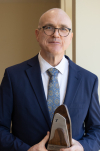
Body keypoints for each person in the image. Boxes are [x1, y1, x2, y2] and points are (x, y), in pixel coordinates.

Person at [0, 8, 100, 151]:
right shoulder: (13, 76)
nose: (56, 34)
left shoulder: (89, 80)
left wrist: (82, 148)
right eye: (49, 27)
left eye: (63, 29)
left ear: (70, 37)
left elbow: (97, 129)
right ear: (37, 34)